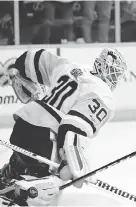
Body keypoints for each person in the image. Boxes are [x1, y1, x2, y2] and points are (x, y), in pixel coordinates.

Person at [0, 48, 127, 206]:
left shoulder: (70, 67)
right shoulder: (103, 93)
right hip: (45, 137)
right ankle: (24, 192)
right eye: (113, 73)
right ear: (103, 67)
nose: (114, 79)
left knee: (22, 166)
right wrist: (76, 166)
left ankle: (12, 174)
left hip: (23, 123)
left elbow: (32, 59)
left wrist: (18, 71)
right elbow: (73, 126)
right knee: (49, 194)